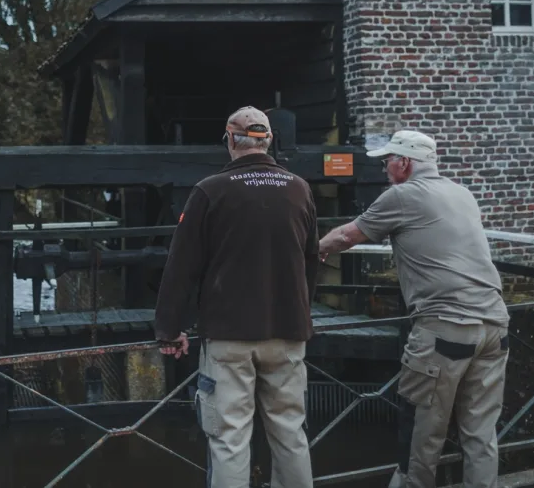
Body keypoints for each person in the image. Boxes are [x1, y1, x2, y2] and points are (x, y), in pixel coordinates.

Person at [319, 130, 509, 488]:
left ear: (404, 163)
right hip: (495, 326)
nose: (384, 169)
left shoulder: (402, 195)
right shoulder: (462, 193)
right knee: (481, 433)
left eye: (387, 161)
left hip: (446, 330)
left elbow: (347, 236)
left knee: (421, 436)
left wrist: (313, 249)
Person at [154, 105, 319, 488]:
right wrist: (302, 311)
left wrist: (169, 328)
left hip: (229, 334)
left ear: (230, 139)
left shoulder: (209, 191)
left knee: (229, 438)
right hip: (288, 331)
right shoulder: (300, 189)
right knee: (290, 433)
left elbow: (182, 266)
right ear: (270, 140)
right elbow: (311, 260)